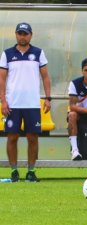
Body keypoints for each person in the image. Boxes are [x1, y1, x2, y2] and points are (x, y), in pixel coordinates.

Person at [0, 22, 51, 182]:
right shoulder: (7, 53)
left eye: (25, 34)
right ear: (16, 34)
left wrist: (48, 98)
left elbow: (45, 77)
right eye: (20, 33)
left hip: (32, 104)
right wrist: (3, 101)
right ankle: (14, 171)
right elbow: (2, 78)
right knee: (12, 137)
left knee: (32, 138)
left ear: (31, 35)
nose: (22, 36)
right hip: (13, 104)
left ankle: (31, 171)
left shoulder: (38, 53)